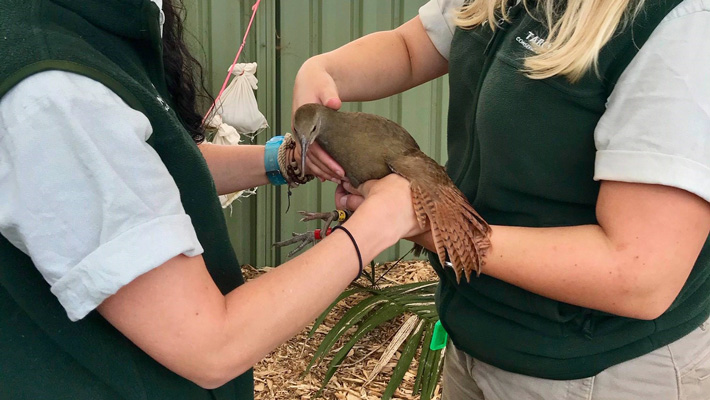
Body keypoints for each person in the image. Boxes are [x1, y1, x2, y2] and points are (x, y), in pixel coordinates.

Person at [0, 0, 425, 398]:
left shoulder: (103, 21)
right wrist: (378, 223)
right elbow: (210, 344)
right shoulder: (56, 93)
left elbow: (143, 164)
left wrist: (284, 160)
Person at [293, 0, 710, 398]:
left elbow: (638, 276)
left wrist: (431, 227)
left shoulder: (681, 27)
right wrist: (323, 71)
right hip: (478, 337)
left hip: (592, 369)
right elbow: (411, 47)